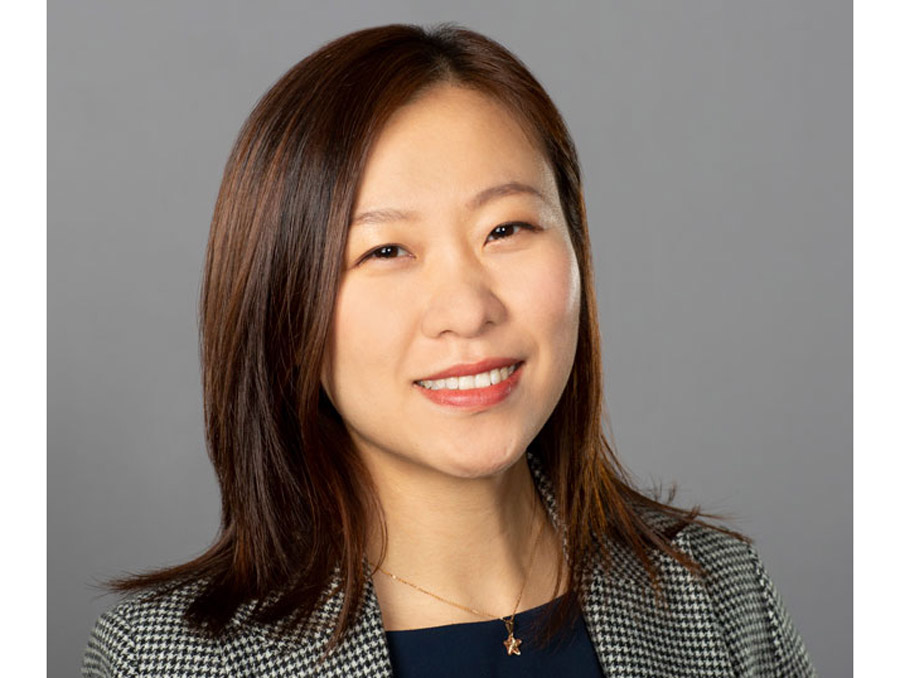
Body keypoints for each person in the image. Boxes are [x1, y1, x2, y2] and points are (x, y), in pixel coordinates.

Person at [81, 24, 815, 677]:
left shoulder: (720, 595)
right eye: (386, 249)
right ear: (284, 308)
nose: (467, 310)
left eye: (506, 230)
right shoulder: (167, 661)